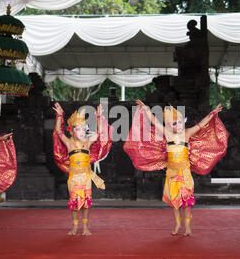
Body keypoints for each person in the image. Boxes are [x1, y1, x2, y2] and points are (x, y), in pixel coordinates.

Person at [124, 100, 228, 236]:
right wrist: (145, 109)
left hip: (184, 174)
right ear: (169, 126)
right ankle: (178, 223)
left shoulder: (187, 133)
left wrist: (213, 113)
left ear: (183, 121)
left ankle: (188, 225)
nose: (178, 125)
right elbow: (155, 122)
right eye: (174, 124)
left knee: (186, 202)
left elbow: (202, 124)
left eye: (179, 122)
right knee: (174, 202)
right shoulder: (168, 134)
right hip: (172, 174)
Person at [53, 103, 112, 235]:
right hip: (74, 178)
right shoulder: (68, 143)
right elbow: (58, 131)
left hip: (86, 177)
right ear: (71, 130)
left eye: (83, 128)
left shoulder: (88, 142)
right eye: (78, 129)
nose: (81, 131)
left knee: (86, 203)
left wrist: (98, 116)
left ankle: (85, 227)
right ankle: (75, 226)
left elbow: (100, 132)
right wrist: (59, 115)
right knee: (74, 203)